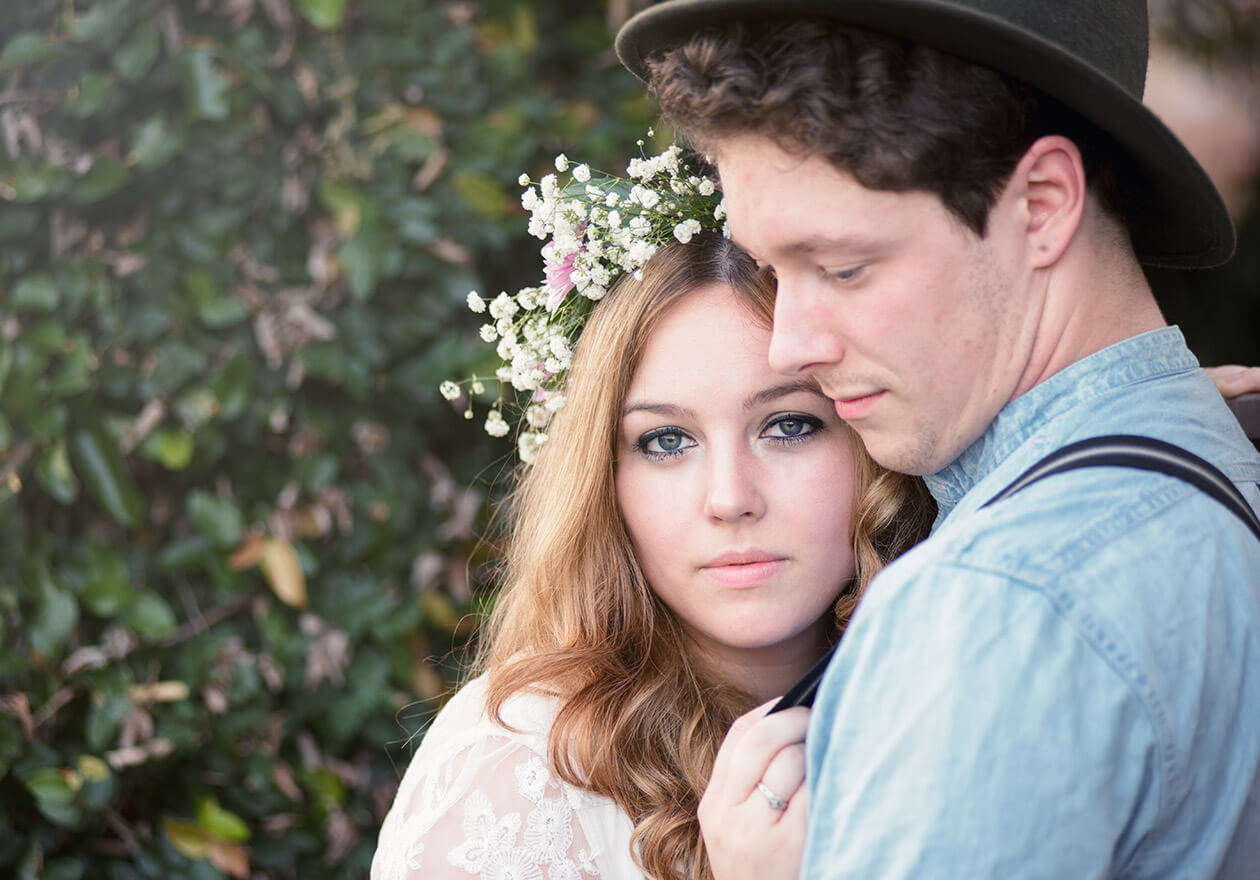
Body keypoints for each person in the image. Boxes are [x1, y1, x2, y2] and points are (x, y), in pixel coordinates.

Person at [615, 1, 1260, 877]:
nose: (790, 344)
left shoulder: (994, 604)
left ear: (1042, 206)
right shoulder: (1216, 455)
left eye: (842, 268)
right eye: (772, 271)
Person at [371, 151, 935, 880]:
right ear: (605, 481)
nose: (730, 497)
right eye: (667, 441)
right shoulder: (516, 775)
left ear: (866, 442)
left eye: (788, 426)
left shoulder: (957, 697)